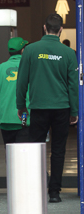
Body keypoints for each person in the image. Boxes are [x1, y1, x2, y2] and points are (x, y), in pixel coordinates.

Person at [16, 13, 79, 203]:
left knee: (36, 149)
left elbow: (22, 82)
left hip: (39, 107)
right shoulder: (68, 53)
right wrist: (74, 111)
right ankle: (54, 193)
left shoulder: (30, 50)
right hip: (61, 108)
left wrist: (21, 106)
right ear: (60, 30)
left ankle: (36, 189)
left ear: (44, 28)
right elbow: (73, 85)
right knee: (58, 150)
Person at [0, 37, 30, 145]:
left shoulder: (0, 69)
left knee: (10, 155)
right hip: (25, 119)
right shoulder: (29, 66)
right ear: (23, 50)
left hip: (6, 121)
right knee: (23, 155)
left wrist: (2, 112)